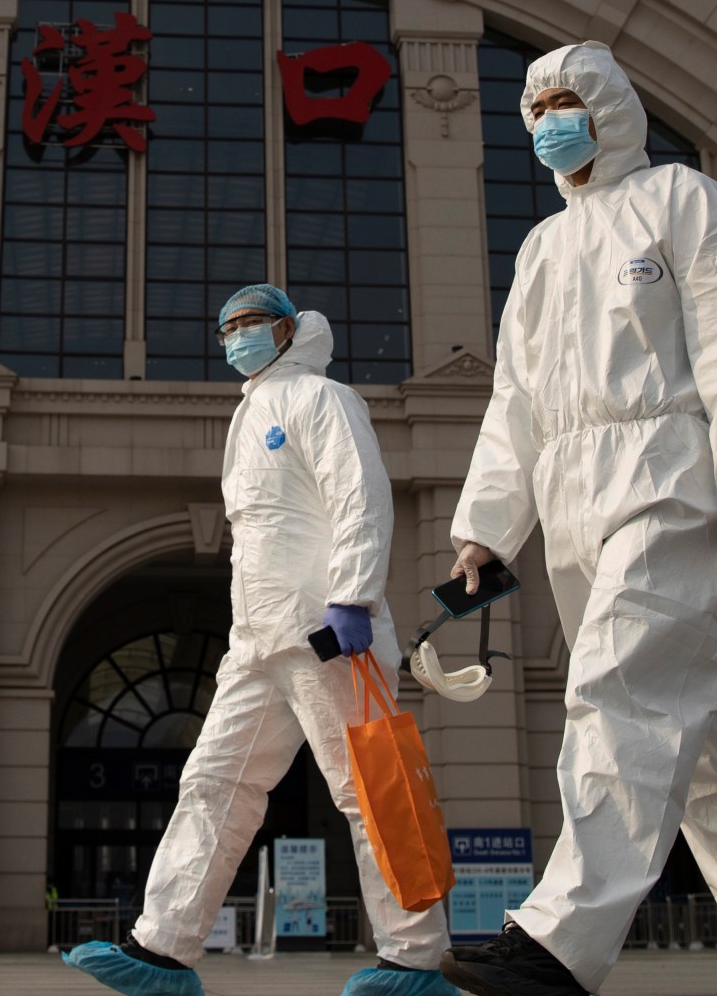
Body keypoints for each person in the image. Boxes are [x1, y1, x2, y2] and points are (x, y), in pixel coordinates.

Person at [439, 43, 717, 996]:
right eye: (534, 107)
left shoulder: (682, 200)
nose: (547, 121)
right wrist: (487, 528)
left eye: (565, 100)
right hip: (572, 489)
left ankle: (561, 938)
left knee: (619, 691)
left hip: (670, 470)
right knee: (688, 720)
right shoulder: (543, 247)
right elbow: (517, 400)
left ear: (612, 106)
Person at [66, 286, 455, 996]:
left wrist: (354, 596)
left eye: (251, 324)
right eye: (228, 328)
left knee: (369, 788)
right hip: (256, 641)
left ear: (286, 328)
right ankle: (163, 949)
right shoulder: (248, 414)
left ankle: (416, 958)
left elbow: (359, 496)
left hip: (326, 629)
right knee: (213, 780)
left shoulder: (323, 397)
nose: (238, 337)